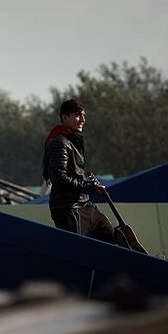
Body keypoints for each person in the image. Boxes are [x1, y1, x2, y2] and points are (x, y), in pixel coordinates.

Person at [42, 99, 115, 243]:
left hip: (84, 204)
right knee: (77, 252)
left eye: (84, 115)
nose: (82, 120)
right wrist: (89, 187)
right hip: (68, 209)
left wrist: (90, 185)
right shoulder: (59, 142)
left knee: (111, 237)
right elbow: (59, 178)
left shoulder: (73, 139)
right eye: (78, 115)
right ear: (65, 117)